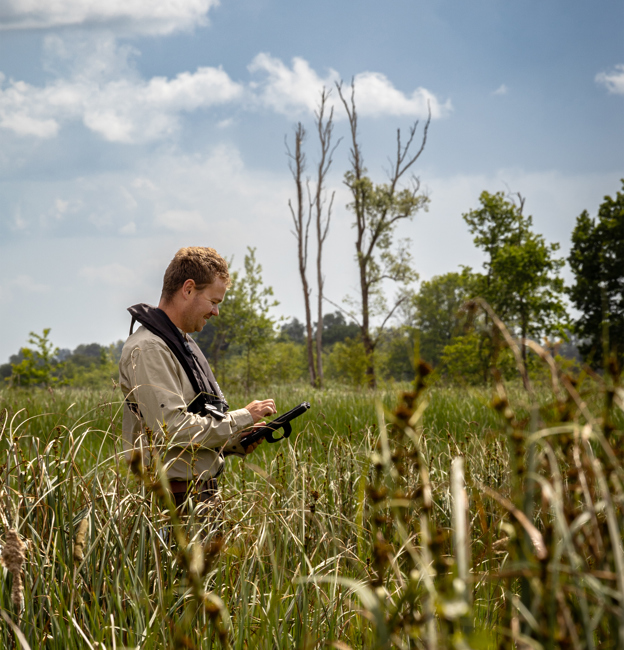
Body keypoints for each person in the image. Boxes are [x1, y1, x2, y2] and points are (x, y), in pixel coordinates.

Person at [118, 246, 275, 513]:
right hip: (172, 502)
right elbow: (173, 429)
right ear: (188, 289)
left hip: (197, 497)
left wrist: (235, 440)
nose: (216, 312)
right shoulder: (150, 348)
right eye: (214, 302)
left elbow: (190, 428)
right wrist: (243, 417)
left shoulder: (179, 343)